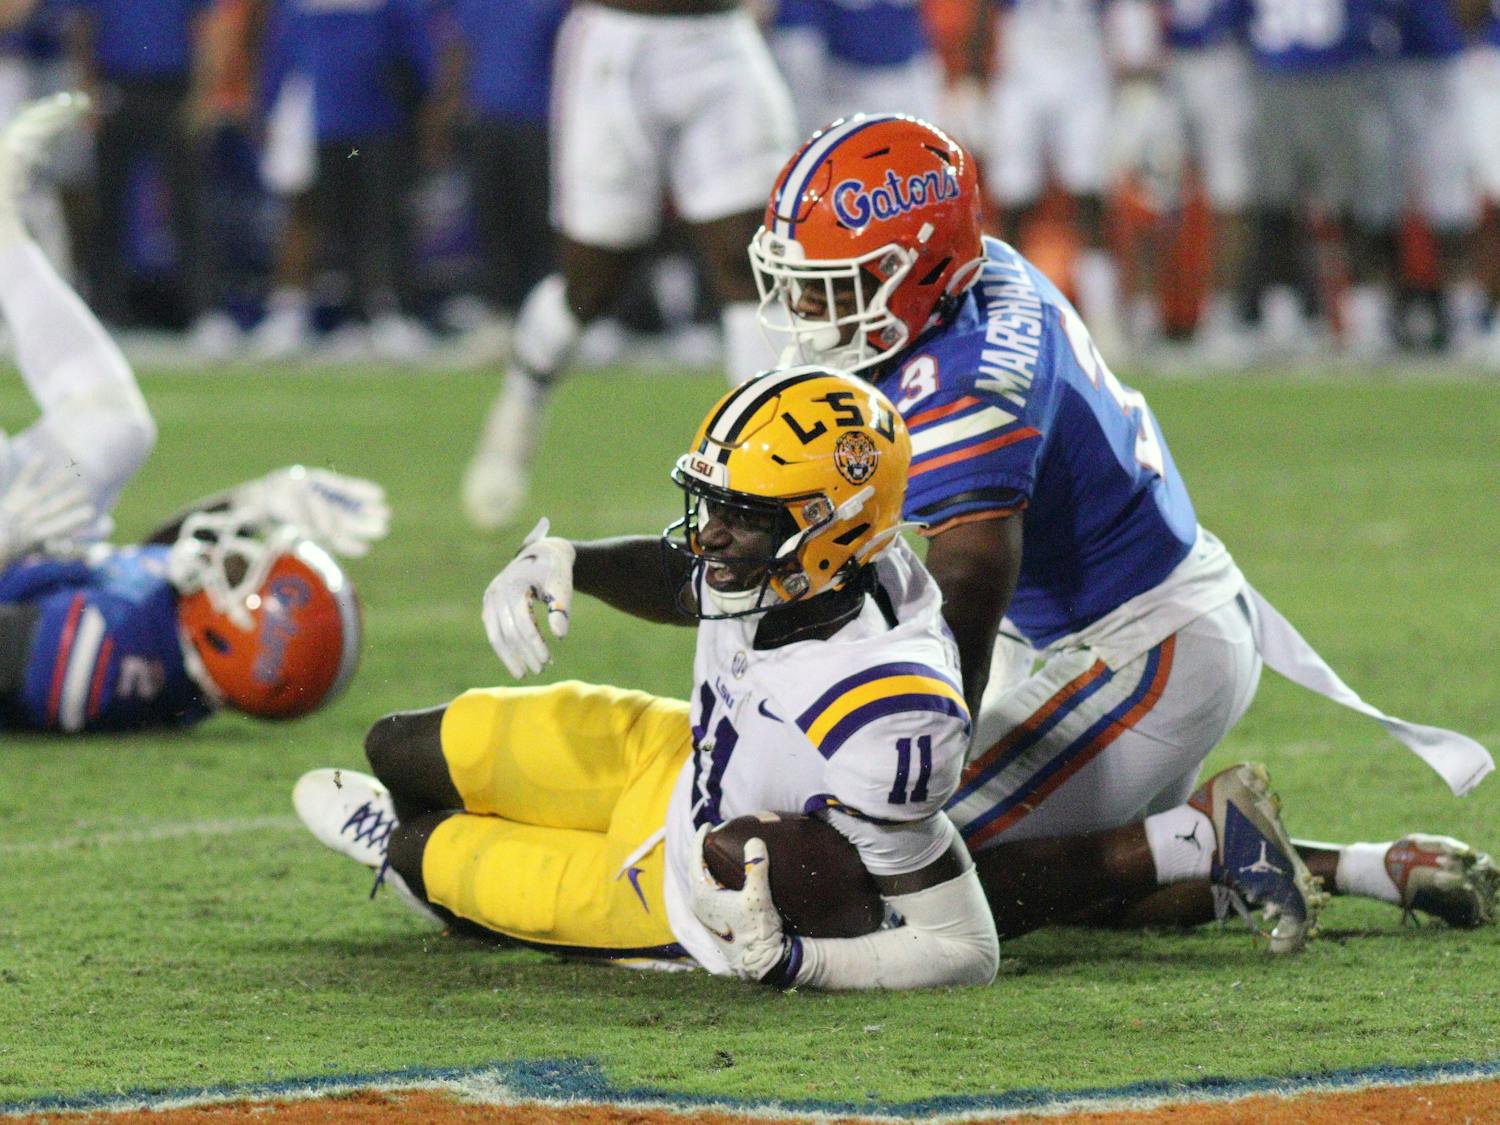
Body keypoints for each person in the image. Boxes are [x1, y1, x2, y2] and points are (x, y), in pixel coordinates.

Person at [299, 369, 1364, 994]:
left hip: (677, 886)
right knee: (396, 744)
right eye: (709, 504)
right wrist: (570, 559)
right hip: (668, 754)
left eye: (738, 517)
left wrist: (798, 959)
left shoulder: (887, 708)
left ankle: (407, 871)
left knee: (425, 852)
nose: (709, 534)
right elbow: (691, 578)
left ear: (822, 531)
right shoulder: (805, 559)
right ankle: (1202, 848)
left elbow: (963, 944)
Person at [745, 114, 1497, 933]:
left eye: (836, 280)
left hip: (1141, 651)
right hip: (1131, 628)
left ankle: (1200, 834)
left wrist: (921, 763)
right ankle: (1358, 865)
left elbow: (966, 577)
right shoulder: (977, 276)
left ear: (920, 267)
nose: (807, 304)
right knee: (1075, 882)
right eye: (802, 279)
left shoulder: (966, 376)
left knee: (880, 877)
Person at [0, 93, 387, 732]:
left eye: (241, 567)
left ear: (231, 636)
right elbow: (157, 564)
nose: (230, 548)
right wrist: (257, 499)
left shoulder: (89, 664)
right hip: (32, 552)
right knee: (114, 434)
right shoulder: (177, 655)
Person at [459, 0, 798, 531]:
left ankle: (759, 469)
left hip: (724, 33)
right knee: (594, 280)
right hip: (621, 41)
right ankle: (523, 396)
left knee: (754, 261)